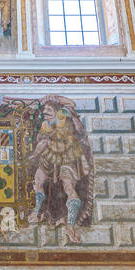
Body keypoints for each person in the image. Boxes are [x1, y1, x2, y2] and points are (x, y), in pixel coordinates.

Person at [30, 99, 93, 242]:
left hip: (67, 156)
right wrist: (35, 154)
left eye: (49, 111)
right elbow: (42, 141)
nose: (45, 113)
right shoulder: (46, 124)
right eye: (44, 111)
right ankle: (37, 211)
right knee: (38, 180)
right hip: (50, 156)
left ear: (57, 112)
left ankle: (70, 226)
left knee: (69, 188)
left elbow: (79, 133)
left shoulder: (66, 119)